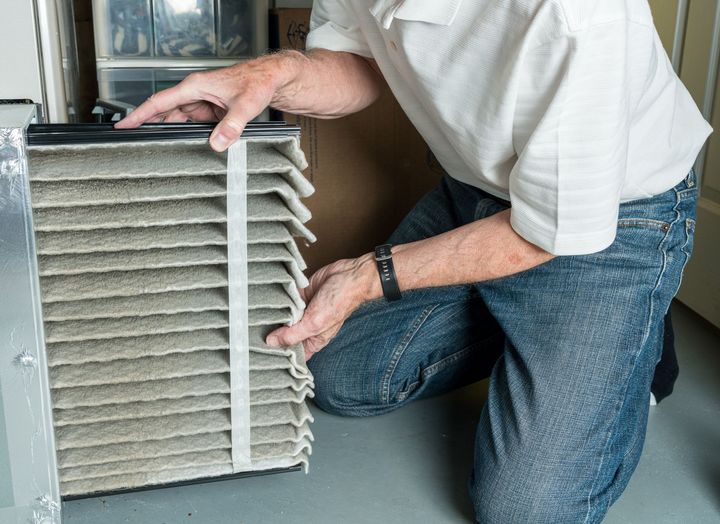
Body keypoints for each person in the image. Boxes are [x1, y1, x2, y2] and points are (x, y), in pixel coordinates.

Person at [117, 1, 711, 521]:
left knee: (528, 511)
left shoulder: (578, 13)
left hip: (606, 219)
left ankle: (635, 334)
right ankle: (547, 332)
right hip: (474, 194)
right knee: (338, 376)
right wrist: (274, 76)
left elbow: (545, 231)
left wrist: (365, 276)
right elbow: (361, 64)